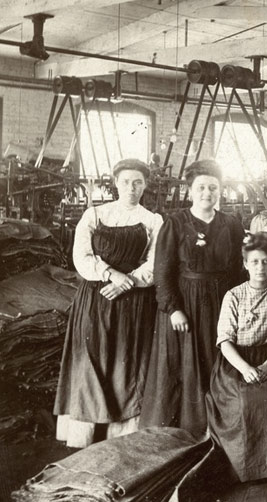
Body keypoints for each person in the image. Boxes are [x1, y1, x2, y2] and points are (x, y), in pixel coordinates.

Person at [54, 159, 163, 448]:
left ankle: (121, 438)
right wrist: (110, 274)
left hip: (133, 301)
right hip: (95, 297)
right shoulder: (95, 214)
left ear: (145, 185)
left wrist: (129, 281)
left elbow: (155, 262)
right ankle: (83, 435)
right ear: (116, 183)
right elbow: (81, 256)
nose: (131, 187)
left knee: (126, 364)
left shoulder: (153, 220)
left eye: (137, 182)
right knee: (91, 359)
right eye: (126, 181)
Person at [141, 159, 245, 438]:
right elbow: (162, 270)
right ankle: (186, 433)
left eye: (213, 187)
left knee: (218, 360)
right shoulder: (175, 223)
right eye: (201, 187)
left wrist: (237, 308)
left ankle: (218, 432)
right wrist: (173, 308)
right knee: (185, 366)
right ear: (190, 191)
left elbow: (238, 270)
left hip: (221, 303)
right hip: (185, 304)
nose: (207, 193)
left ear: (220, 190)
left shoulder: (232, 224)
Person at [205, 233, 267, 482]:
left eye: (265, 261)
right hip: (236, 360)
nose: (260, 267)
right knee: (242, 400)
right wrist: (245, 368)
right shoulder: (233, 296)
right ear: (245, 264)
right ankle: (243, 469)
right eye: (254, 262)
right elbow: (224, 340)